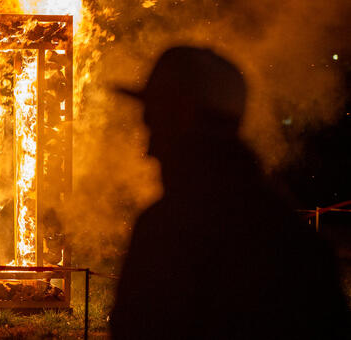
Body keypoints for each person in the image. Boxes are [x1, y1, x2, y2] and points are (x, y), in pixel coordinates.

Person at [110, 47, 350, 339]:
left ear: (182, 115)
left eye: (152, 119)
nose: (148, 148)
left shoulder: (168, 230)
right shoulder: (299, 240)